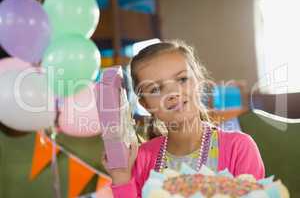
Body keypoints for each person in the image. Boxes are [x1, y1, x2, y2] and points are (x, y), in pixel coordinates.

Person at [102, 40, 265, 198]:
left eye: (182, 79)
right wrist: (122, 179)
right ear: (145, 104)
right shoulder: (141, 158)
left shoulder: (239, 147)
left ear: (199, 82)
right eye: (156, 89)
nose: (172, 93)